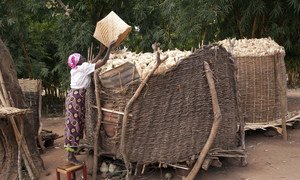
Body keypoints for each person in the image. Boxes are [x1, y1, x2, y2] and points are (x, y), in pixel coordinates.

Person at [64, 41, 115, 164]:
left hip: (73, 97)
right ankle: (70, 156)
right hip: (76, 99)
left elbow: (91, 63)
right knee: (74, 127)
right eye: (80, 57)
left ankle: (72, 151)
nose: (83, 57)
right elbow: (102, 63)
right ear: (78, 62)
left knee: (74, 125)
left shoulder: (76, 68)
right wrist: (109, 48)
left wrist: (100, 51)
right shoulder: (82, 68)